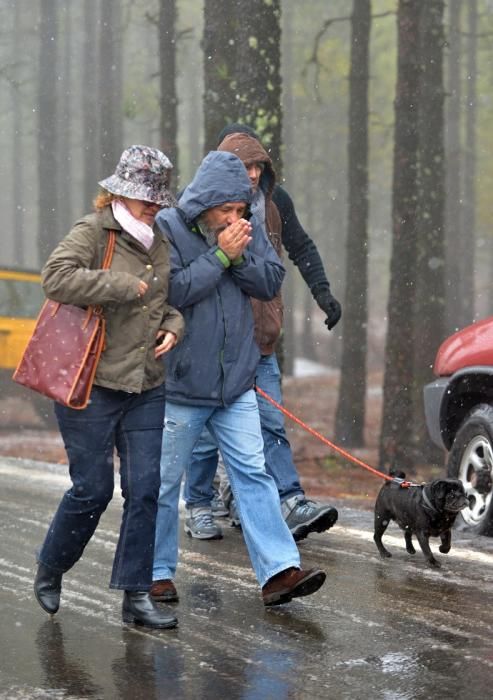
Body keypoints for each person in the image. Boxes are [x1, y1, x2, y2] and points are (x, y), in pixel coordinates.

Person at [151, 150, 326, 607]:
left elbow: (270, 281)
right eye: (226, 210)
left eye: (239, 209)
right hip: (181, 385)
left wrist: (240, 255)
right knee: (165, 482)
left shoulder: (245, 227)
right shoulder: (168, 227)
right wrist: (221, 257)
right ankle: (155, 573)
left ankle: (279, 572)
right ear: (206, 200)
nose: (234, 217)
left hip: (237, 384)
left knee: (254, 473)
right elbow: (172, 291)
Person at [33, 145, 185, 629]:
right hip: (91, 382)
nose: (154, 206)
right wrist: (118, 287)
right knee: (92, 490)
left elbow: (165, 301)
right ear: (119, 191)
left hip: (145, 384)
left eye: (159, 200)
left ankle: (136, 596)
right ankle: (51, 566)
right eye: (147, 198)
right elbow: (55, 279)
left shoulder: (160, 240)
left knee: (145, 490)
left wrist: (174, 327)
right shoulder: (94, 231)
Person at [182, 126, 341, 542]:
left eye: (258, 165)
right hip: (210, 343)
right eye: (243, 165)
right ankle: (199, 503)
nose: (252, 174)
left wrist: (322, 293)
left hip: (260, 339)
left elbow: (302, 248)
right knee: (202, 435)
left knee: (269, 422)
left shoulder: (274, 203)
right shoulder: (196, 208)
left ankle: (289, 500)